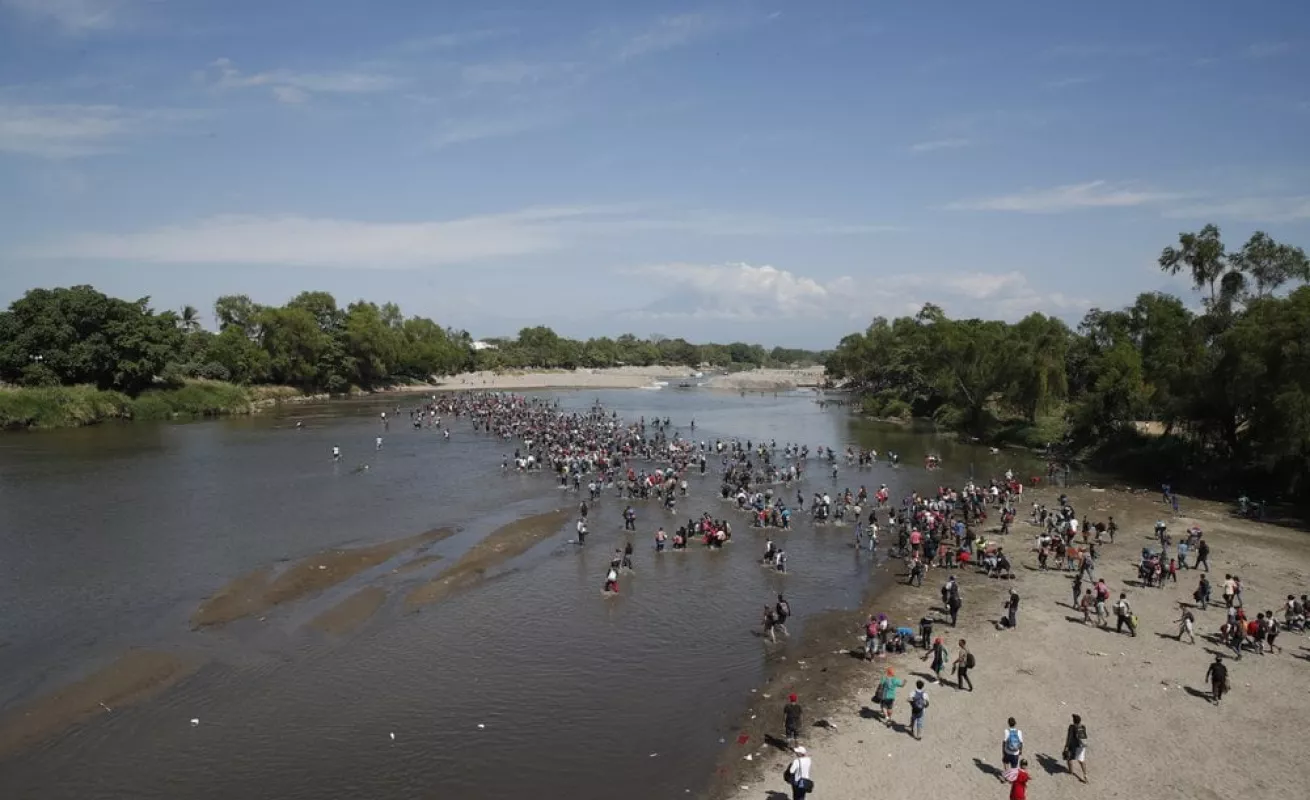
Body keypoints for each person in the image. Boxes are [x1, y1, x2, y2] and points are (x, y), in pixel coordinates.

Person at [1063, 714, 1089, 783]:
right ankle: (1085, 775)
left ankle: (1071, 771)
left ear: (1073, 721)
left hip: (1074, 746)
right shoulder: (1083, 727)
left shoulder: (1072, 727)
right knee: (1081, 761)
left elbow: (1069, 737)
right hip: (1082, 746)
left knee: (1069, 758)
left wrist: (1066, 747)